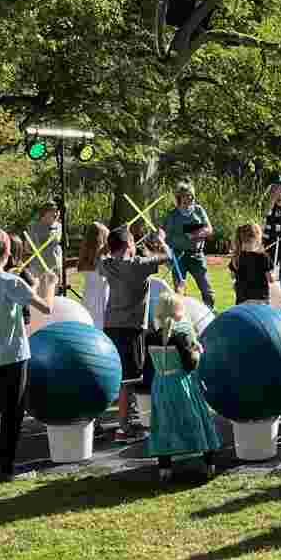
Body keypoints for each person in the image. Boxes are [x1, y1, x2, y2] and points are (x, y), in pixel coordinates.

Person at [0, 226, 54, 481]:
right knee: (12, 415)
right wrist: (48, 284)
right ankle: (7, 468)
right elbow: (46, 307)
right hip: (14, 358)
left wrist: (31, 286)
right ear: (8, 252)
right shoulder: (12, 282)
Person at [98, 226, 173, 438]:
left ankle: (107, 423)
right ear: (128, 245)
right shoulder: (138, 265)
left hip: (110, 326)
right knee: (129, 380)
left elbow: (102, 256)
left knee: (115, 375)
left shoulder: (106, 264)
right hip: (132, 328)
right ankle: (124, 428)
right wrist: (161, 240)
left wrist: (114, 243)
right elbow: (167, 257)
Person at [146, 292, 219, 472]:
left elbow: (149, 365)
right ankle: (209, 462)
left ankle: (164, 468)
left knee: (163, 423)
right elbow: (190, 365)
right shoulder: (181, 337)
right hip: (182, 383)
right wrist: (197, 351)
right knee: (198, 418)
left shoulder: (149, 337)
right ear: (178, 311)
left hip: (160, 384)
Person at [161, 182, 216, 308]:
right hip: (178, 256)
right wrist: (160, 237)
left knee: (207, 289)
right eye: (186, 195)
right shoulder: (173, 215)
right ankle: (181, 314)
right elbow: (163, 232)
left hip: (197, 255)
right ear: (179, 197)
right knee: (179, 290)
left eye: (191, 195)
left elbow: (209, 229)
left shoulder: (198, 210)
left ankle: (210, 311)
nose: (189, 198)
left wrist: (195, 234)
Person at [74, 222, 111, 329]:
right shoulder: (98, 257)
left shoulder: (89, 256)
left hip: (90, 296)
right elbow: (96, 266)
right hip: (99, 299)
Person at [228, 221, 274, 305]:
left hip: (242, 300)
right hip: (260, 299)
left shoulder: (236, 257)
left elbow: (232, 276)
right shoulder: (263, 257)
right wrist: (273, 276)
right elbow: (270, 279)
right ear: (257, 238)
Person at [23, 202, 63, 290]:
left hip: (55, 267)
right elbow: (27, 248)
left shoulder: (59, 226)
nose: (56, 214)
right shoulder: (33, 227)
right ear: (45, 212)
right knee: (39, 293)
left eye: (57, 211)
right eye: (53, 211)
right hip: (38, 268)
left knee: (55, 294)